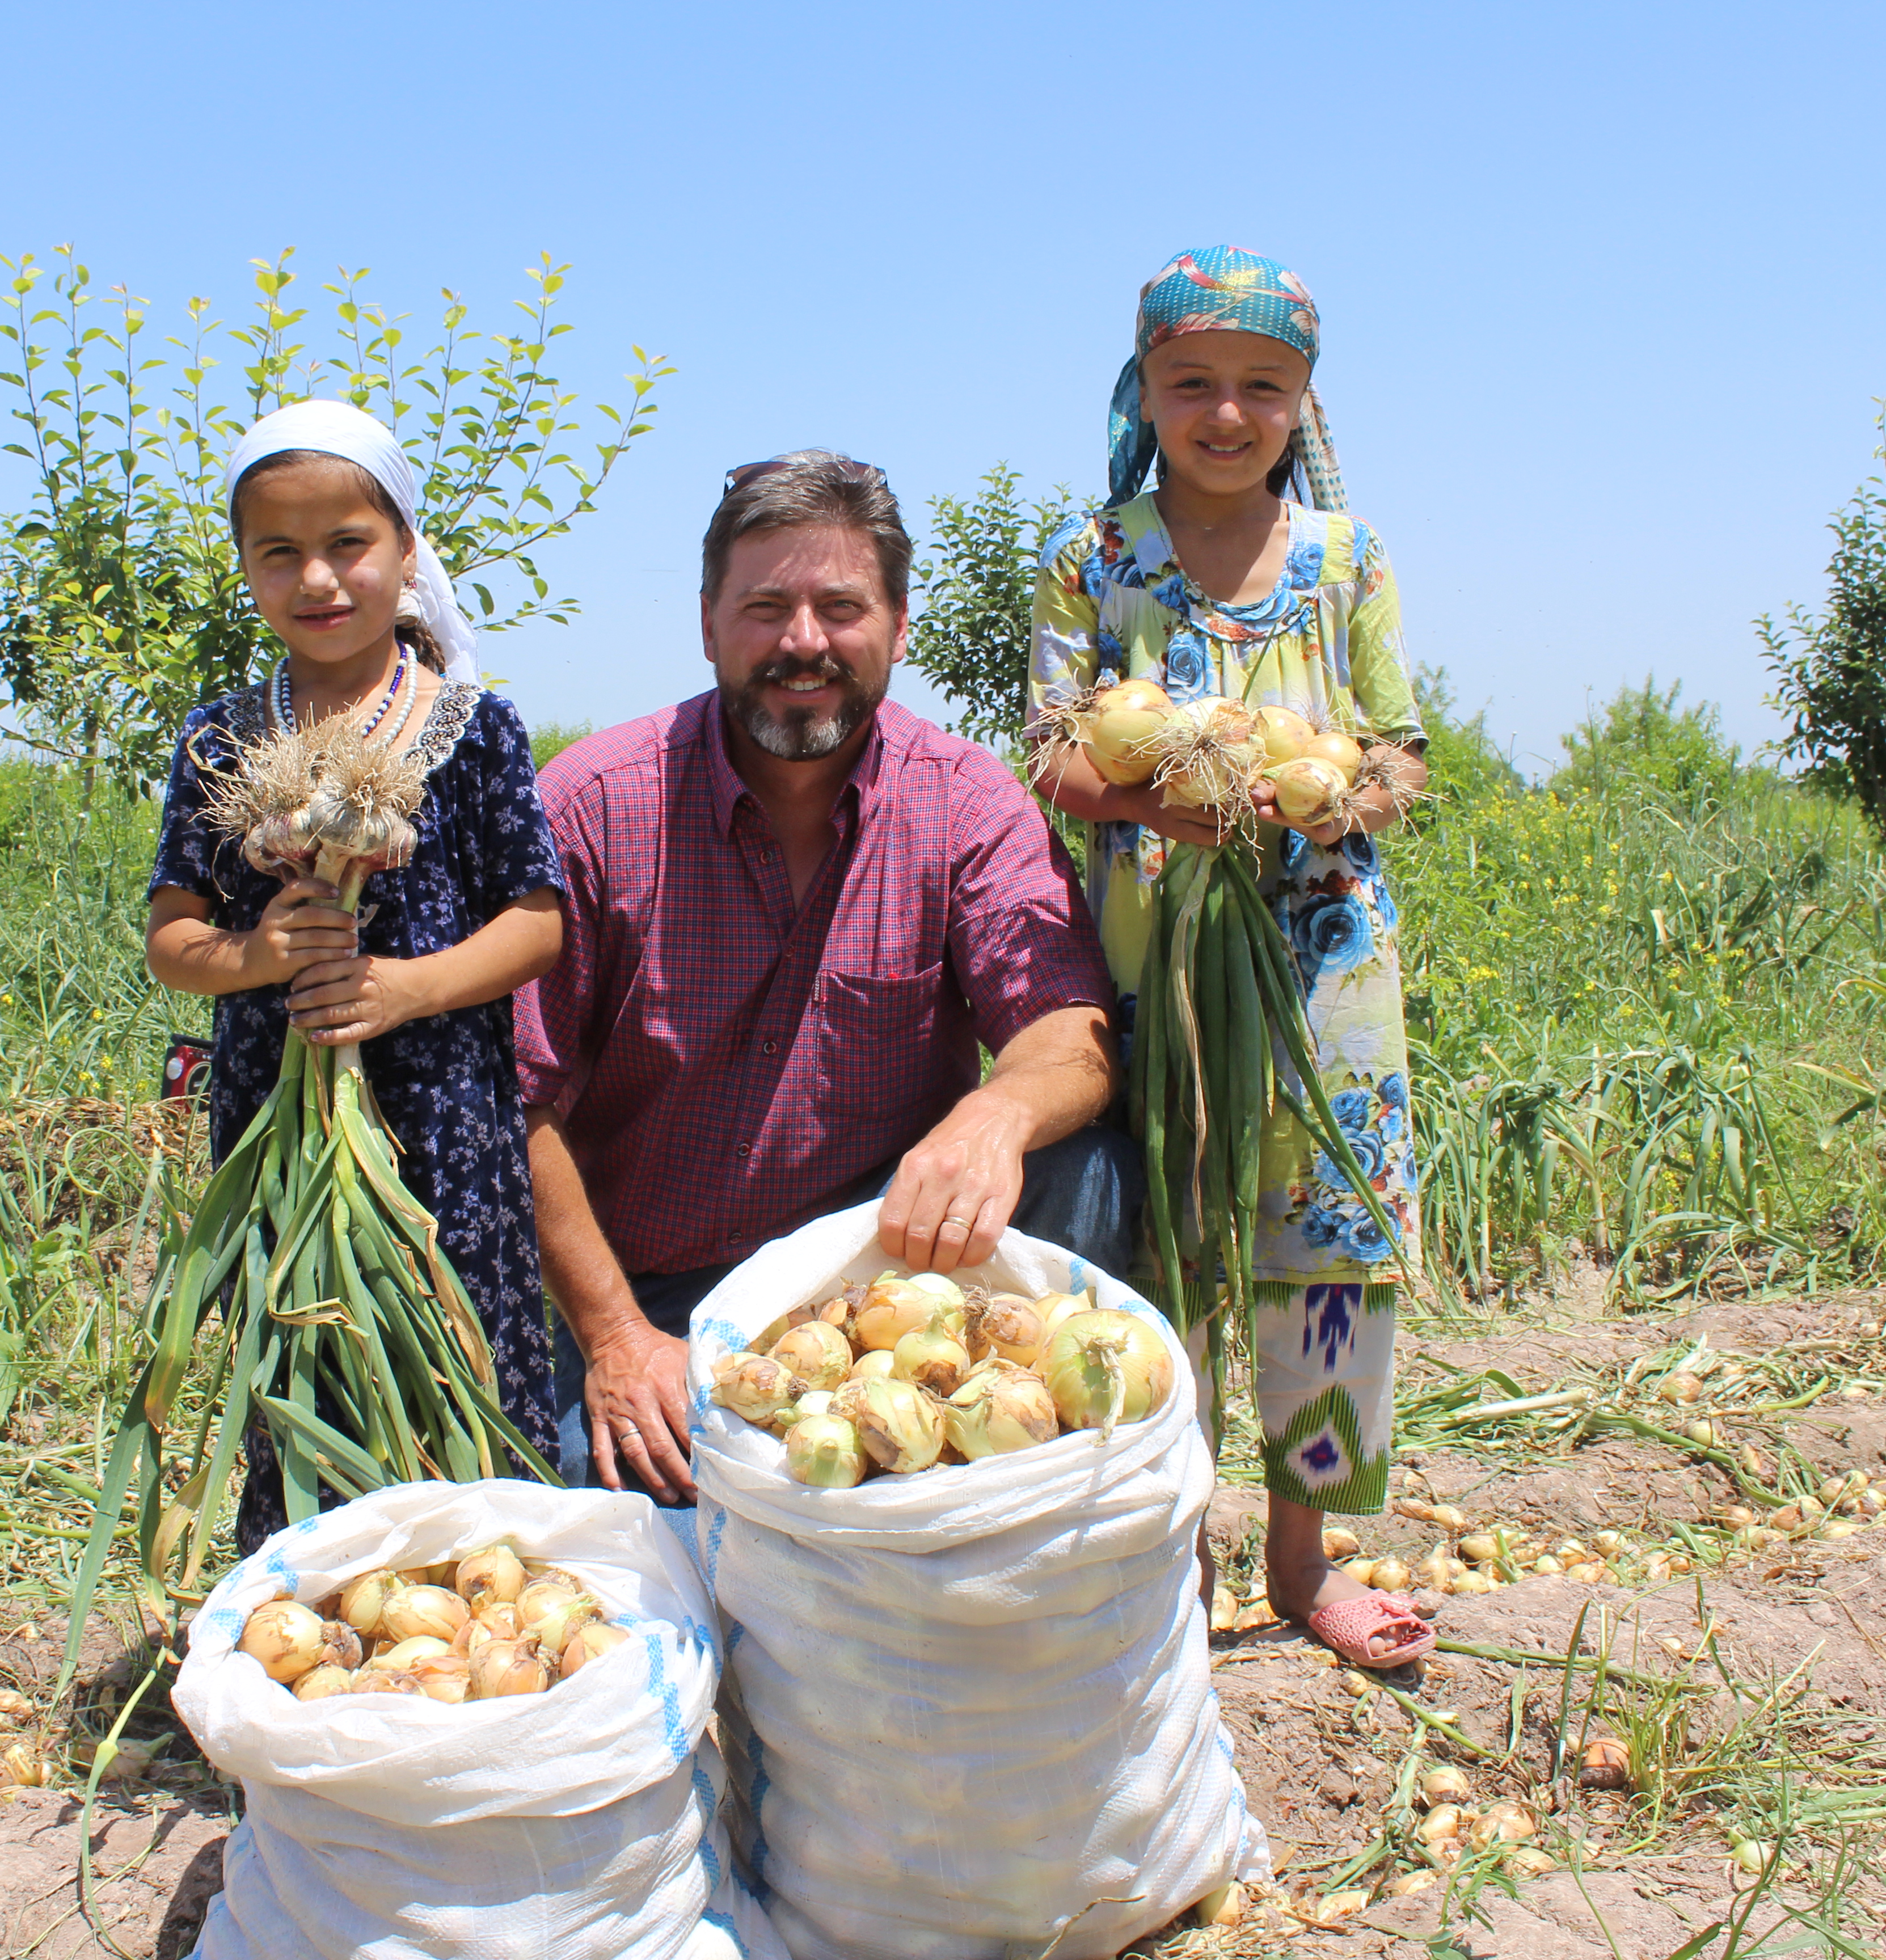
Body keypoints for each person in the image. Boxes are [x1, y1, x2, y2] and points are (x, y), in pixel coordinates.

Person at [519, 451, 1129, 1504]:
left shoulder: (963, 800)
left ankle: (1025, 1473)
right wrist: (617, 1337)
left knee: (1088, 1168)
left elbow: (1069, 1029)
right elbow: (513, 1102)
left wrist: (994, 1119)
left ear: (897, 626)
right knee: (606, 1506)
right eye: (766, 608)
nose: (803, 641)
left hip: (895, 1286)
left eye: (840, 607)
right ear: (708, 623)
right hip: (661, 1299)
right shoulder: (594, 804)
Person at [1028, 248, 1435, 1670]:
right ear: (1143, 390)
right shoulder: (1096, 556)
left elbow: (1400, 752)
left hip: (1327, 961)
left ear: (1302, 400)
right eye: (1191, 382)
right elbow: (1058, 756)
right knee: (1174, 1245)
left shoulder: (1347, 559)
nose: (1224, 414)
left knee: (1329, 1247)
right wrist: (1181, 804)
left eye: (1261, 387)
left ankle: (1305, 1560)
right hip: (1154, 964)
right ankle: (1176, 1556)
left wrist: (1325, 795)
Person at [145, 398, 567, 1552]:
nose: (318, 579)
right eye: (278, 553)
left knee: (454, 1331)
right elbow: (171, 938)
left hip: (447, 1120)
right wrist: (260, 957)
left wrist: (402, 988)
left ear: (407, 553)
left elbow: (537, 925)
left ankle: (485, 1592)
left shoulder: (474, 729)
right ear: (244, 570)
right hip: (279, 1126)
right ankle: (320, 1595)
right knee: (308, 1331)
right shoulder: (219, 745)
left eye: (349, 545)